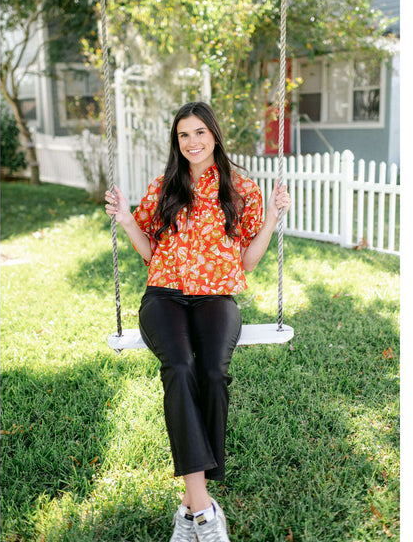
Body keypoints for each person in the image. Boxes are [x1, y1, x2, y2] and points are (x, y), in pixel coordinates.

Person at [105, 101, 291, 542]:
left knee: (212, 373)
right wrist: (127, 220)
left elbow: (247, 261)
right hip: (163, 297)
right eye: (183, 135)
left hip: (216, 298)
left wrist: (271, 219)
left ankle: (191, 509)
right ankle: (204, 510)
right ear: (177, 141)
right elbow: (151, 253)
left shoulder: (241, 189)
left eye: (199, 133)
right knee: (180, 367)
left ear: (214, 135)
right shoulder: (164, 186)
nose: (192, 142)